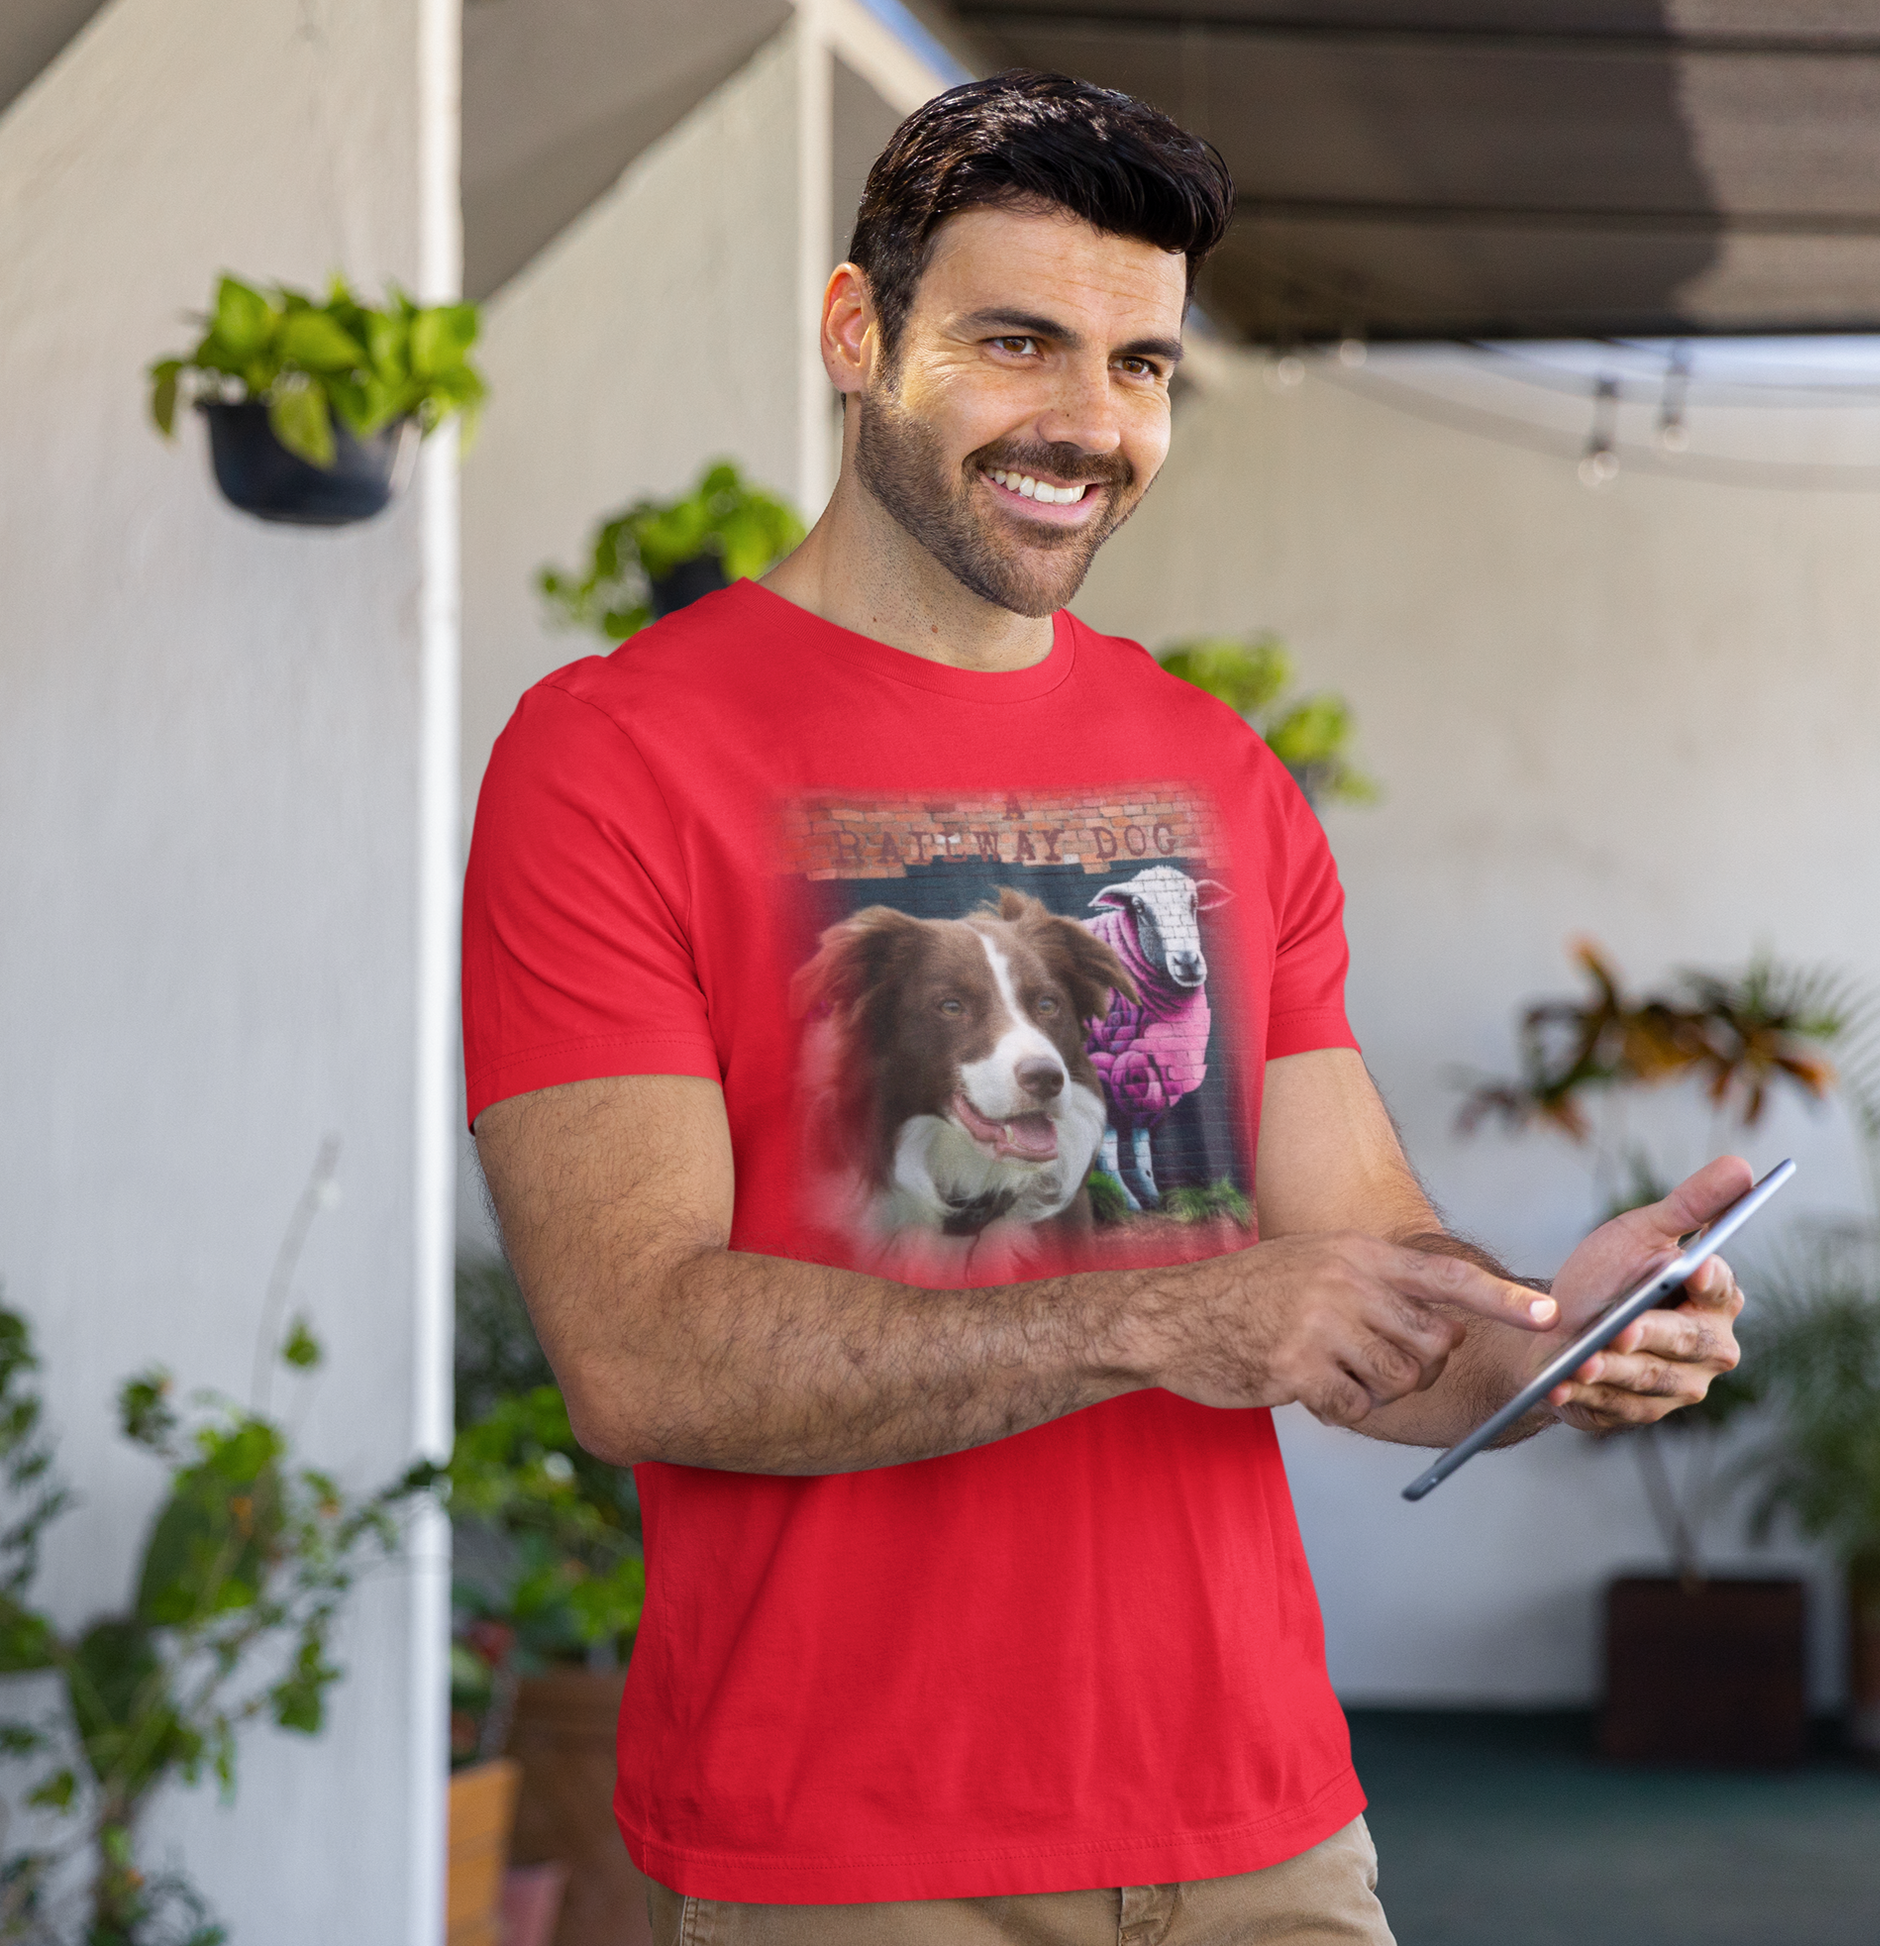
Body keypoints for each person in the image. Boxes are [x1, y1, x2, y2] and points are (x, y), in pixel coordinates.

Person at [463, 70, 1746, 1944]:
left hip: (1263, 1832)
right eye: (1015, 342)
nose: (1087, 422)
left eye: (1140, 365)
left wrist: (1554, 1336)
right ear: (855, 333)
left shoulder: (1214, 774)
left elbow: (1360, 1277)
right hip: (848, 1850)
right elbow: (637, 1350)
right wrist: (1166, 1315)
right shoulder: (612, 758)